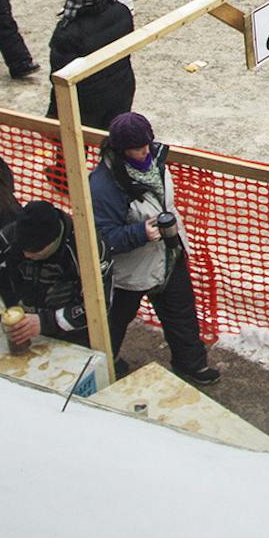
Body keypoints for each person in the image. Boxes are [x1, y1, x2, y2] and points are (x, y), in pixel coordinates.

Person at [86, 112, 218, 382]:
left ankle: (191, 365)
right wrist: (140, 233)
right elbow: (101, 237)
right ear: (121, 149)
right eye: (137, 148)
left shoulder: (156, 159)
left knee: (181, 313)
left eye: (147, 143)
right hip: (129, 272)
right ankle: (101, 364)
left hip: (169, 254)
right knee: (114, 321)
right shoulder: (103, 186)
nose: (145, 151)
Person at [0, 200, 89, 344]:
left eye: (35, 251)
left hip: (70, 335)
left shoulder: (85, 249)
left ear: (53, 241)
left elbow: (97, 306)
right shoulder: (11, 233)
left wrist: (46, 322)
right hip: (20, 322)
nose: (27, 255)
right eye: (23, 249)